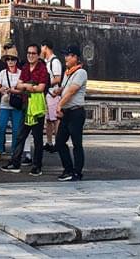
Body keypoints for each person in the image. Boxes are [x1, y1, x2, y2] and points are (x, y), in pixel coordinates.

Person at [2, 44, 49, 176]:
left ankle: (37, 165)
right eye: (29, 53)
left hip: (37, 107)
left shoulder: (42, 69)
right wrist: (30, 86)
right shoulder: (25, 68)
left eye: (33, 53)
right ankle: (15, 162)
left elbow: (41, 88)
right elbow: (18, 85)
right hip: (26, 105)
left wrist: (25, 86)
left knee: (37, 138)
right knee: (20, 135)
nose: (30, 55)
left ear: (38, 55)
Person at [54, 45, 88, 181]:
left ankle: (77, 172)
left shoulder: (81, 72)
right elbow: (66, 89)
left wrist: (59, 104)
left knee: (76, 143)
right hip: (66, 112)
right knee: (60, 141)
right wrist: (59, 91)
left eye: (68, 55)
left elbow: (72, 91)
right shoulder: (68, 72)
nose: (65, 58)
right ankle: (68, 169)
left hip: (76, 112)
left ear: (75, 57)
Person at [0, 47, 23, 160]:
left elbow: (23, 89)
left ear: (16, 61)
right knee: (1, 127)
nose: (10, 61)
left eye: (12, 59)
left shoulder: (21, 73)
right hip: (5, 103)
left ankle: (15, 151)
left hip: (16, 104)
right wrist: (1, 90)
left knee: (16, 129)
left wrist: (13, 90)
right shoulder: (2, 73)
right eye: (8, 59)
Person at [41, 40, 63, 153]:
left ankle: (58, 143)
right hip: (47, 93)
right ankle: (49, 142)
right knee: (49, 120)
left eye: (42, 47)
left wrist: (45, 84)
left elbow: (58, 78)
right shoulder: (46, 61)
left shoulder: (55, 62)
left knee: (55, 120)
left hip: (53, 93)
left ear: (45, 47)